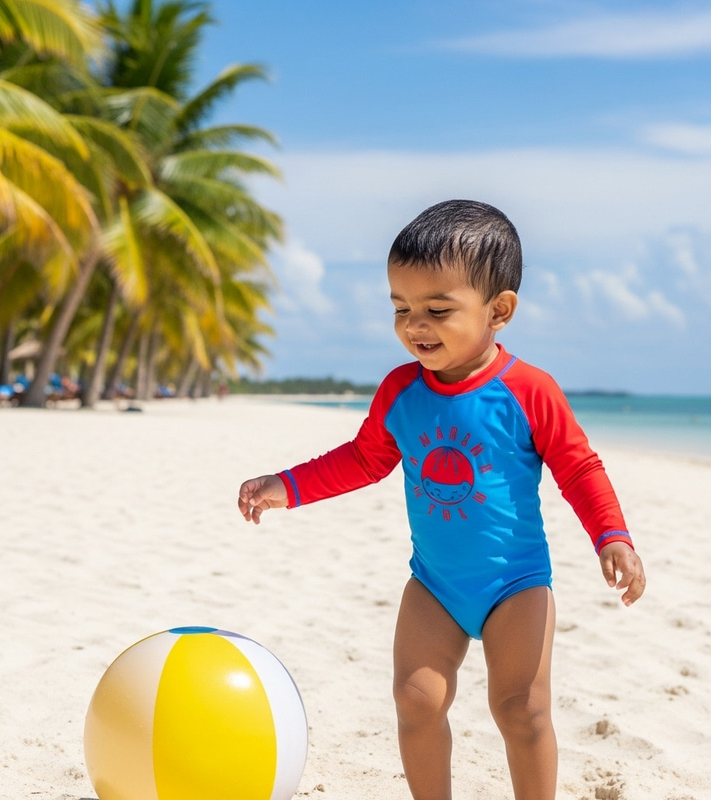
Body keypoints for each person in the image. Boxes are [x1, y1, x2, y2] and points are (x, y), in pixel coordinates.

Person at [237, 199, 646, 800]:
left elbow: (578, 467)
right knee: (415, 699)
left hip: (516, 584)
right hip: (434, 583)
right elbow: (363, 459)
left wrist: (612, 535)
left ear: (498, 310)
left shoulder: (529, 391)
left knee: (522, 710)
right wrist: (287, 486)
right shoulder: (400, 391)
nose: (415, 325)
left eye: (437, 309)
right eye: (401, 308)